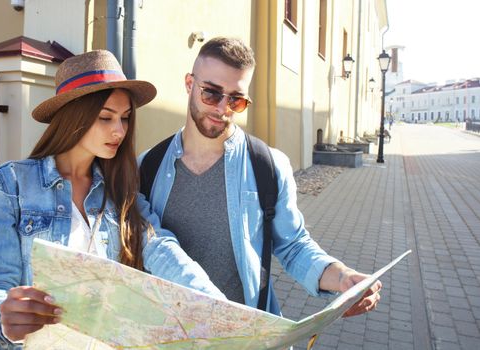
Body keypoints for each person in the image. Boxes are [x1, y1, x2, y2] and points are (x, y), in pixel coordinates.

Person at [0, 50, 224, 350]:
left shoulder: (121, 190)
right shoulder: (10, 185)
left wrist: (214, 303)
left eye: (125, 118)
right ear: (73, 116)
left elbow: (159, 247)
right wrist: (5, 321)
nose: (119, 130)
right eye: (105, 117)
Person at [139, 37, 382, 317]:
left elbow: (293, 245)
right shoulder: (148, 166)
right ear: (189, 84)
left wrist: (341, 277)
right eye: (211, 93)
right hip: (169, 331)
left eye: (236, 100)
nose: (222, 108)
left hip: (246, 333)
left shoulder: (268, 165)